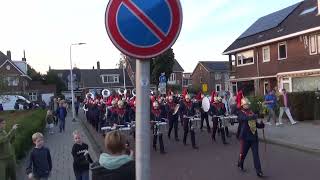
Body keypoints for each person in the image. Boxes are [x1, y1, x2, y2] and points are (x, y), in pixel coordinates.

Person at [237, 98, 264, 177]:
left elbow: (256, 124)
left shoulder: (251, 112)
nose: (247, 105)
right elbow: (245, 119)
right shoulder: (240, 113)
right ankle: (240, 163)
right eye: (245, 104)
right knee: (243, 154)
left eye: (248, 104)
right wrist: (255, 116)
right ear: (242, 105)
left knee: (256, 155)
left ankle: (258, 171)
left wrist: (261, 125)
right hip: (245, 138)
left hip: (254, 137)